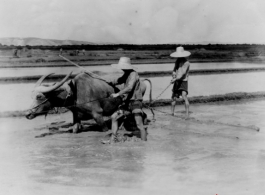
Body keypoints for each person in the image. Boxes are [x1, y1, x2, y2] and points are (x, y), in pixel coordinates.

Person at [105, 57, 147, 143]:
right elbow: (119, 80)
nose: (121, 68)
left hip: (135, 102)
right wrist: (110, 82)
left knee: (139, 125)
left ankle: (144, 144)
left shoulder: (133, 74)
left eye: (122, 66)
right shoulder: (126, 74)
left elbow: (129, 87)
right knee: (114, 117)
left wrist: (117, 94)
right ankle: (113, 140)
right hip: (127, 102)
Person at [170, 46, 191, 119]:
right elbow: (174, 69)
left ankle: (187, 114)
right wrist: (173, 75)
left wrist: (175, 79)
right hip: (177, 80)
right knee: (173, 97)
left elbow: (182, 73)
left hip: (183, 81)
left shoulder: (187, 63)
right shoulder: (177, 61)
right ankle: (172, 113)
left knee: (184, 96)